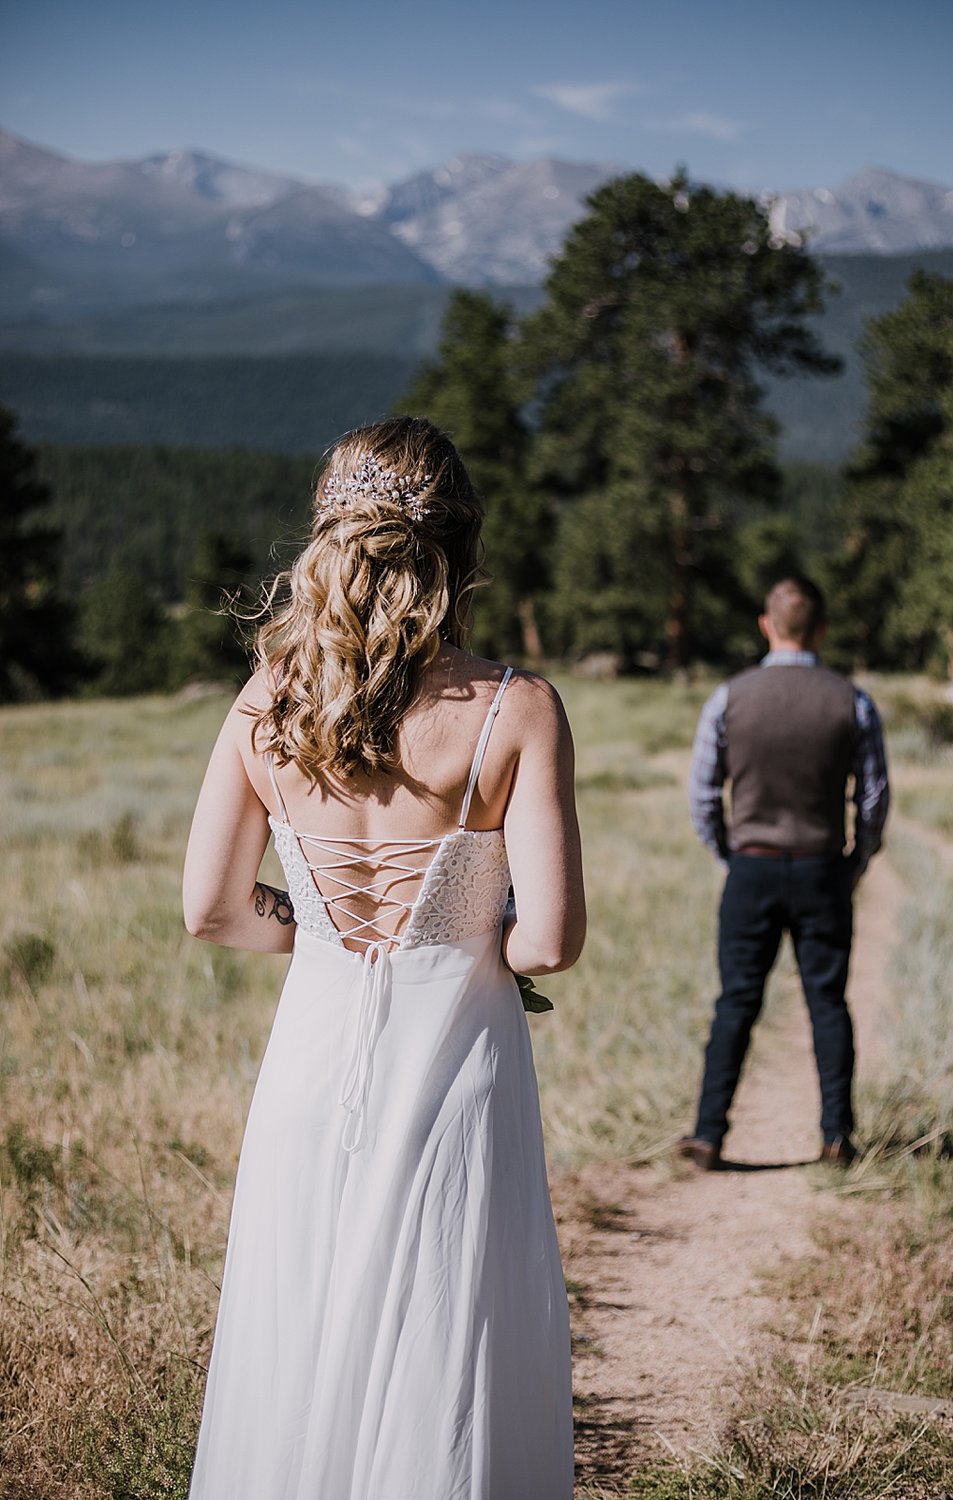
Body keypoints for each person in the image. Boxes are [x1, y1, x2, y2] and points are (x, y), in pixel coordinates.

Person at [182, 417, 584, 1499]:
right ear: (459, 551)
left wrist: (319, 934)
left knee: (298, 1348)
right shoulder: (515, 710)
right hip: (456, 1080)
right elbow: (547, 938)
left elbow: (211, 911)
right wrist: (462, 938)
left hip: (311, 1074)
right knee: (447, 1357)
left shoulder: (267, 699)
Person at [681, 576, 889, 1170]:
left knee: (736, 1002)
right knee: (827, 1001)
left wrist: (729, 854)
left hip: (751, 867)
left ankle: (709, 1133)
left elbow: (703, 795)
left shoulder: (728, 697)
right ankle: (836, 1135)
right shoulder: (853, 699)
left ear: (766, 625)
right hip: (823, 867)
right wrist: (856, 860)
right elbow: (872, 799)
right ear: (821, 629)